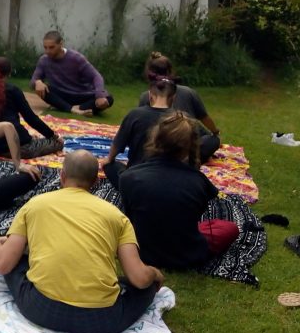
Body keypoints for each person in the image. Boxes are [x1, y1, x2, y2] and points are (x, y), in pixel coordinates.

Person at [0, 150, 164, 333]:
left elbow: (3, 264)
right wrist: (154, 274)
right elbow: (138, 278)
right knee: (146, 287)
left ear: (62, 176)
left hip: (41, 309)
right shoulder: (117, 217)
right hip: (103, 320)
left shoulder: (36, 204)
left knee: (17, 261)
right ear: (96, 182)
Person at [119, 112, 239, 269]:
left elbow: (129, 218)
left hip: (141, 251)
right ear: (190, 146)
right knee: (228, 228)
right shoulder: (199, 181)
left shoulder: (129, 177)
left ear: (156, 139)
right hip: (187, 255)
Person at [0, 56, 63, 158]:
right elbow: (30, 118)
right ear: (9, 73)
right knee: (58, 143)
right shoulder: (13, 90)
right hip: (18, 147)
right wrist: (52, 135)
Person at [138, 52, 220, 163]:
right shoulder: (188, 92)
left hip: (160, 147)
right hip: (176, 145)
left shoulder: (144, 98)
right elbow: (205, 118)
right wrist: (215, 132)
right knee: (211, 140)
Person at [100, 76, 176, 188]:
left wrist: (109, 159)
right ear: (174, 98)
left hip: (136, 177)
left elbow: (118, 144)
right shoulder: (181, 120)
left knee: (110, 166)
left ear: (150, 95)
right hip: (170, 179)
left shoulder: (135, 115)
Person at [30, 30, 113, 115]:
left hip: (81, 94)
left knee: (108, 99)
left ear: (61, 44)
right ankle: (74, 109)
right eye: (45, 47)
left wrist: (99, 95)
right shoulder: (44, 60)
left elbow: (96, 76)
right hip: (62, 95)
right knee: (43, 89)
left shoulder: (76, 58)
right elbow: (32, 82)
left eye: (51, 47)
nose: (48, 51)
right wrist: (37, 82)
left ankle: (72, 108)